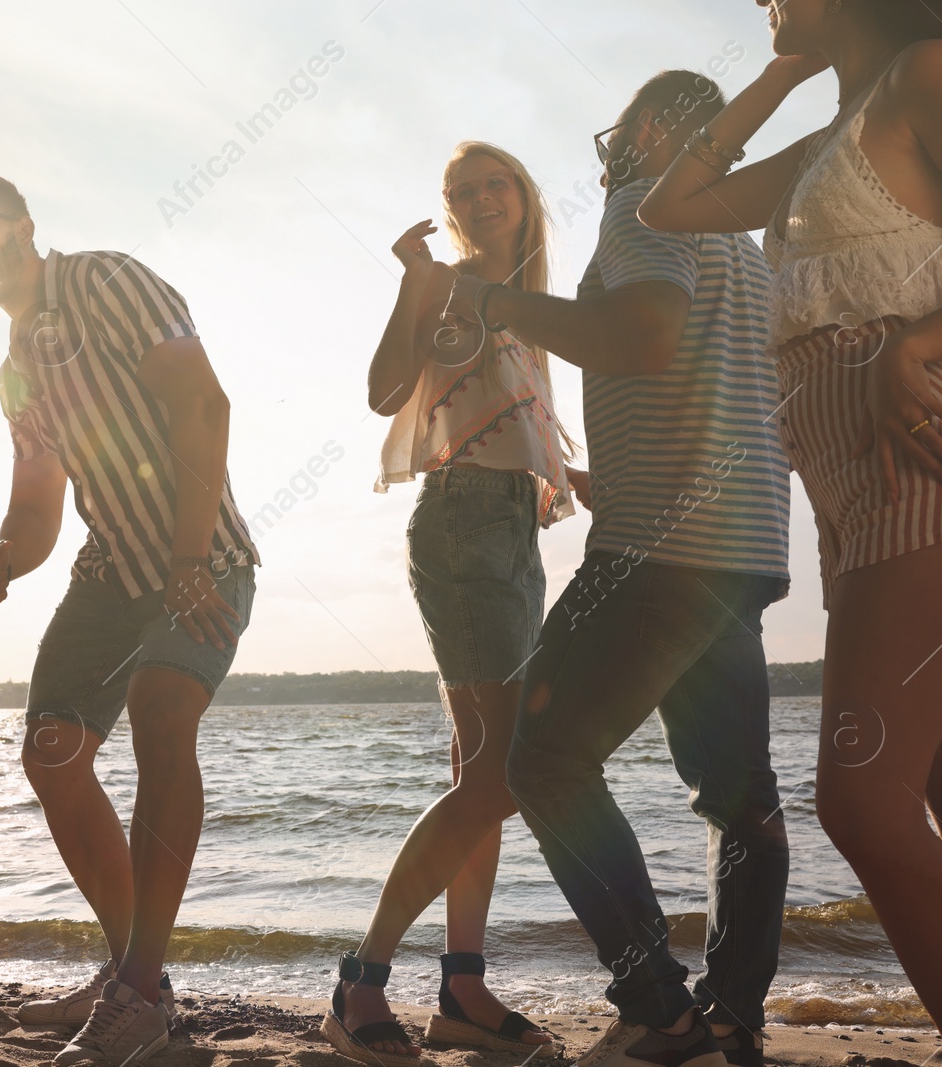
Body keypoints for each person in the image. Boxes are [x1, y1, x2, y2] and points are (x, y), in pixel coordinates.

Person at [638, 2, 942, 1062]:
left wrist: (921, 344)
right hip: (850, 495)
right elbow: (672, 205)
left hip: (923, 459)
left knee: (861, 800)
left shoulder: (928, 76)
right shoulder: (829, 133)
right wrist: (777, 76)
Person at [445, 70, 794, 1067]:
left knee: (541, 760)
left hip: (654, 549)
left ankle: (655, 1004)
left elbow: (645, 336)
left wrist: (503, 301)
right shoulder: (746, 243)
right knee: (742, 797)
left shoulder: (642, 205)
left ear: (641, 131)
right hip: (744, 548)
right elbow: (733, 381)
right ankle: (732, 1016)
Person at [0, 169, 259, 1066]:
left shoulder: (107, 281)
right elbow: (38, 503)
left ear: (26, 224)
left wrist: (189, 561)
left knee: (160, 711)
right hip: (109, 574)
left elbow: (203, 403)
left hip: (205, 561)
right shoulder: (14, 365)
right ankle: (134, 974)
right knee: (52, 754)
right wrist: (5, 554)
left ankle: (137, 990)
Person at [321, 142, 578, 1067]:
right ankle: (362, 982)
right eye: (463, 190)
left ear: (523, 194)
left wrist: (569, 470)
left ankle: (463, 986)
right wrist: (414, 284)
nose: (479, 197)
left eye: (494, 182)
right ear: (453, 210)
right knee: (499, 774)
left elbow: (502, 420)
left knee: (482, 778)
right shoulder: (450, 282)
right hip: (463, 525)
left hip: (509, 528)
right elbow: (387, 391)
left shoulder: (526, 300)